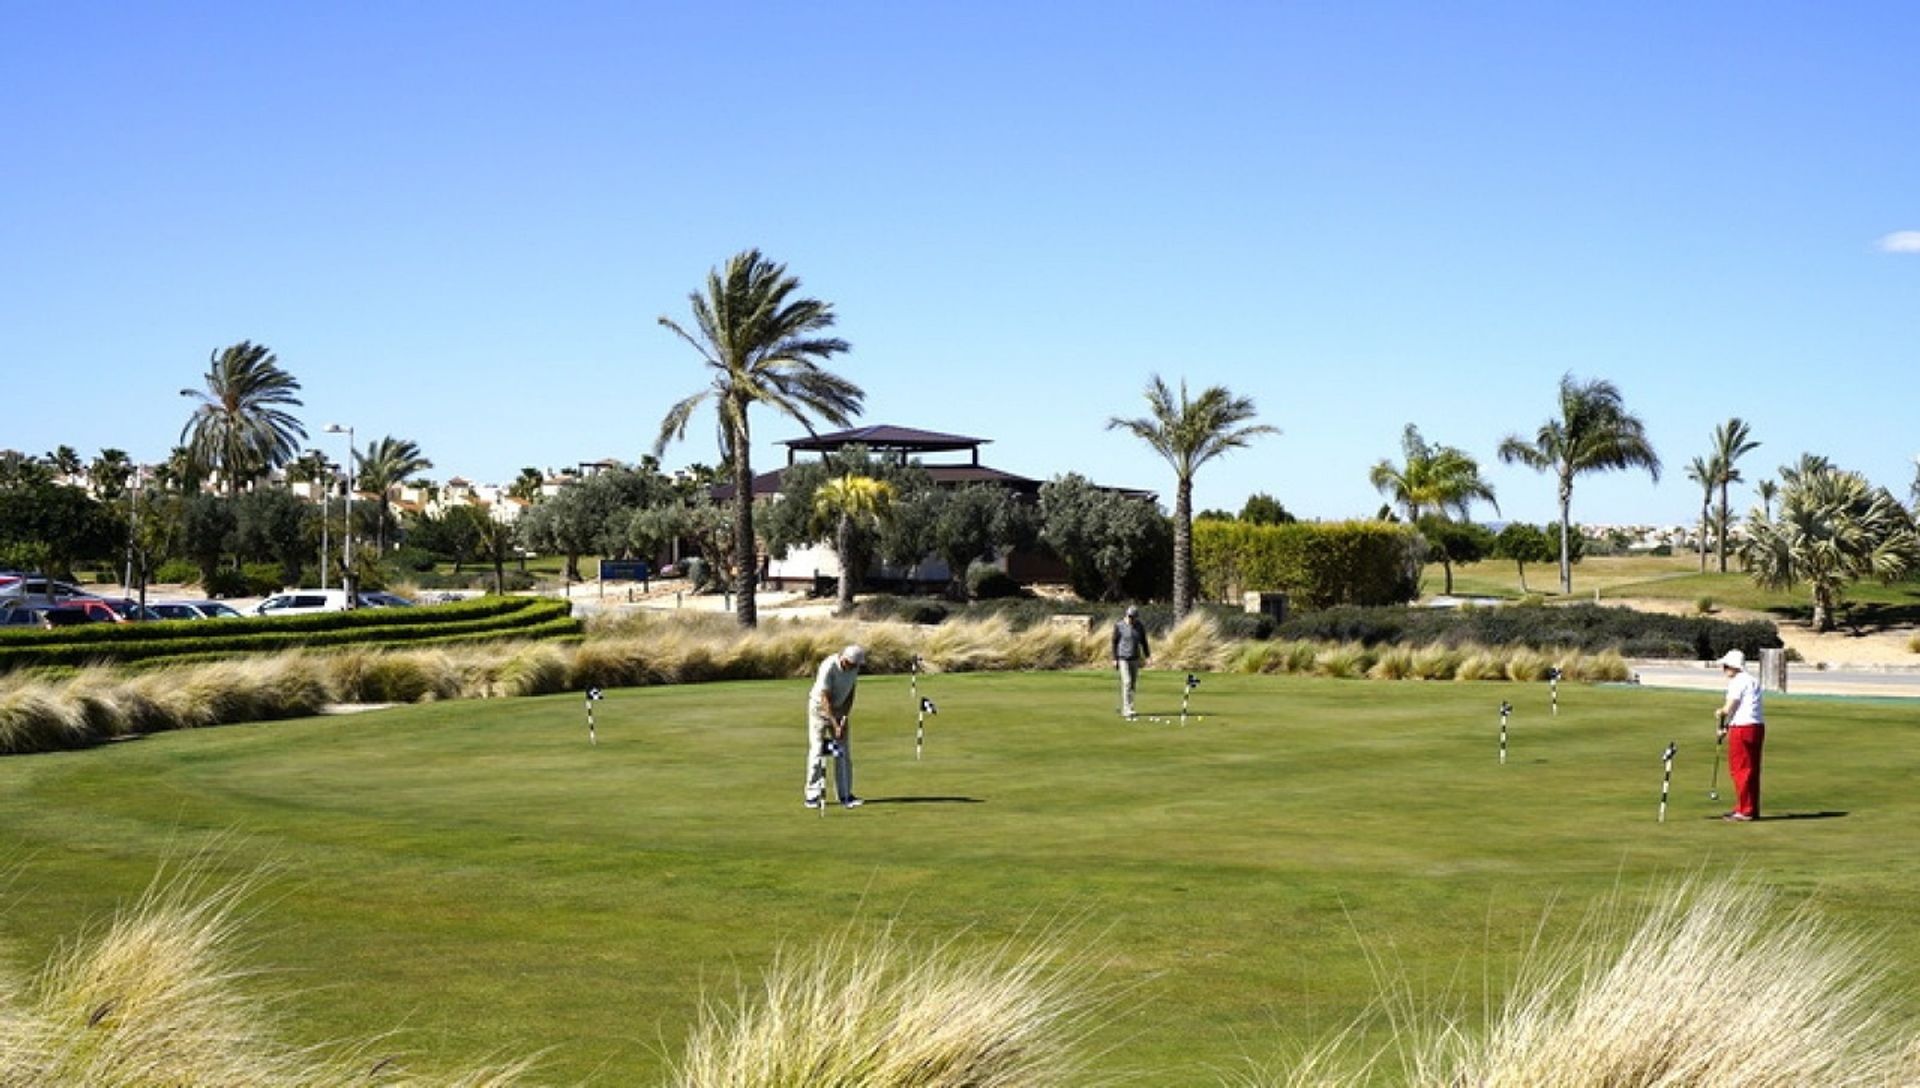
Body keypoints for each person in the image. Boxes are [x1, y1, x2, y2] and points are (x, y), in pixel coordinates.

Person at [805, 643, 865, 809]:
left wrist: (844, 718)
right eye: (853, 664)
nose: (855, 668)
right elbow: (825, 698)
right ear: (845, 660)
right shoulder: (828, 667)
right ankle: (812, 796)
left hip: (839, 709)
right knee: (817, 751)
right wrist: (834, 724)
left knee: (843, 752)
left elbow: (851, 692)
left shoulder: (854, 667)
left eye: (857, 666)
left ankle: (845, 794)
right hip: (819, 709)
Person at [1715, 648, 1765, 821]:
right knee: (1752, 769)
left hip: (1743, 729)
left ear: (1732, 666)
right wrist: (1726, 727)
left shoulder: (1737, 681)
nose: (1724, 669)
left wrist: (1721, 713)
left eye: (1725, 666)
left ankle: (1745, 810)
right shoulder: (1752, 680)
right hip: (1756, 726)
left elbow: (1730, 707)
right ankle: (1749, 807)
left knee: (1741, 769)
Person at [1112, 605, 1150, 719]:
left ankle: (1130, 707)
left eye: (1133, 617)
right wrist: (1114, 658)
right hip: (1123, 658)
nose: (1131, 619)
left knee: (1132, 684)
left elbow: (1143, 641)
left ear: (1136, 617)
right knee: (1127, 682)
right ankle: (1126, 709)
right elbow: (1114, 642)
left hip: (1135, 658)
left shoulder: (1139, 626)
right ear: (1126, 615)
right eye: (1129, 616)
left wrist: (1148, 656)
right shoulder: (1119, 626)